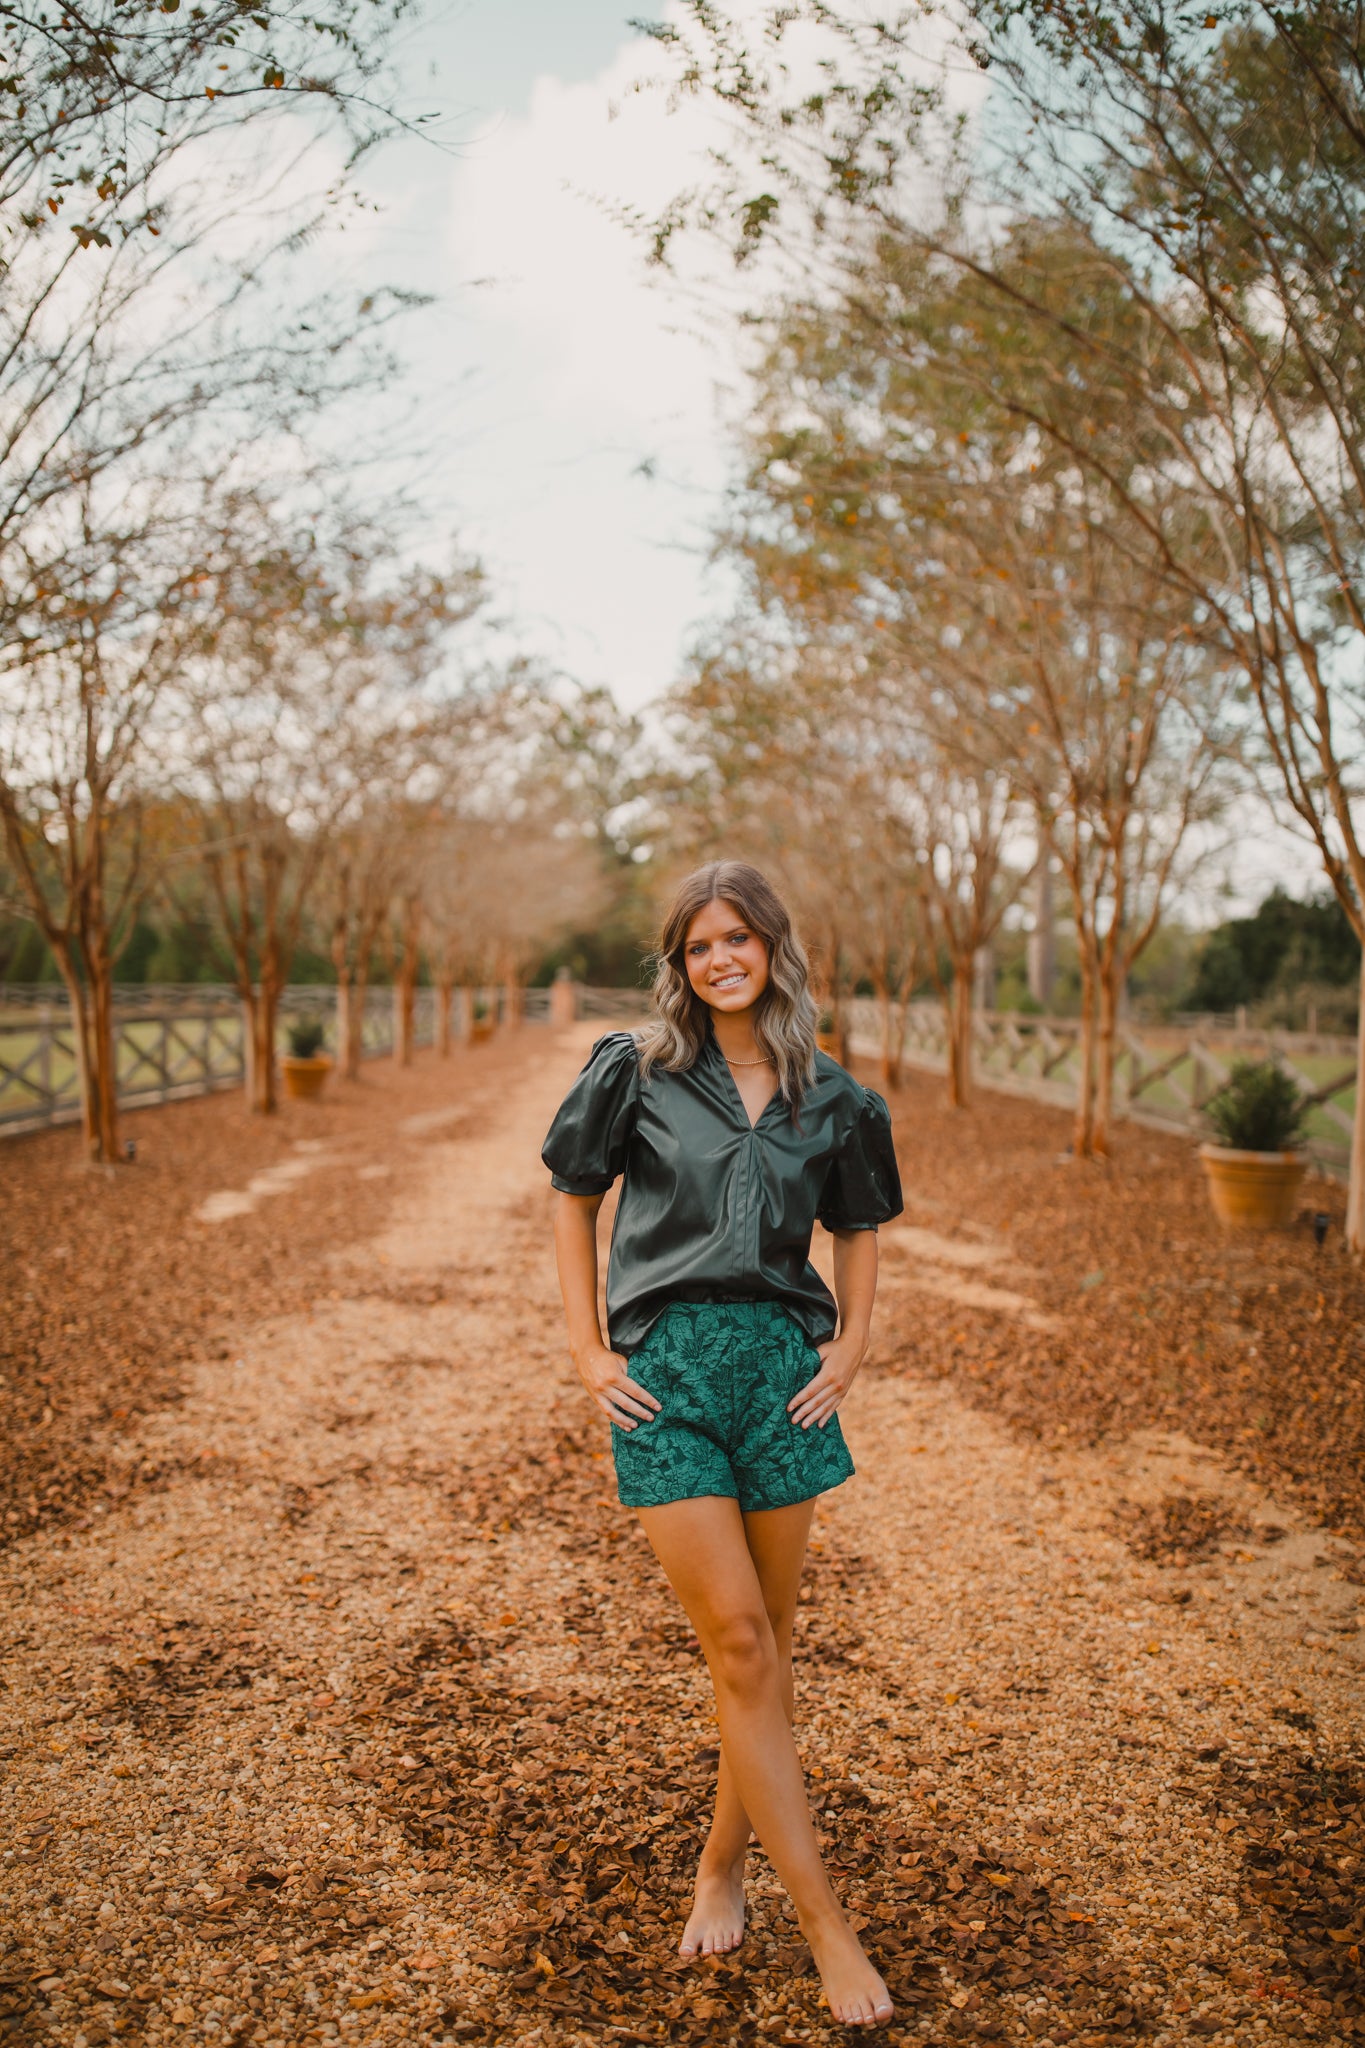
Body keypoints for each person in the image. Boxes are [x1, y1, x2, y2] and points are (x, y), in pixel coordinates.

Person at [542, 860, 903, 2029]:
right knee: (741, 1639)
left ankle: (722, 1861)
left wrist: (848, 1349)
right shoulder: (635, 1073)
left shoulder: (835, 1097)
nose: (720, 959)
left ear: (773, 950)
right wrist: (591, 1351)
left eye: (739, 938)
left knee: (766, 1650)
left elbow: (857, 1226)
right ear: (681, 962)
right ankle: (827, 1927)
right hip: (671, 1380)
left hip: (781, 1382)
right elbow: (572, 1198)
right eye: (701, 944)